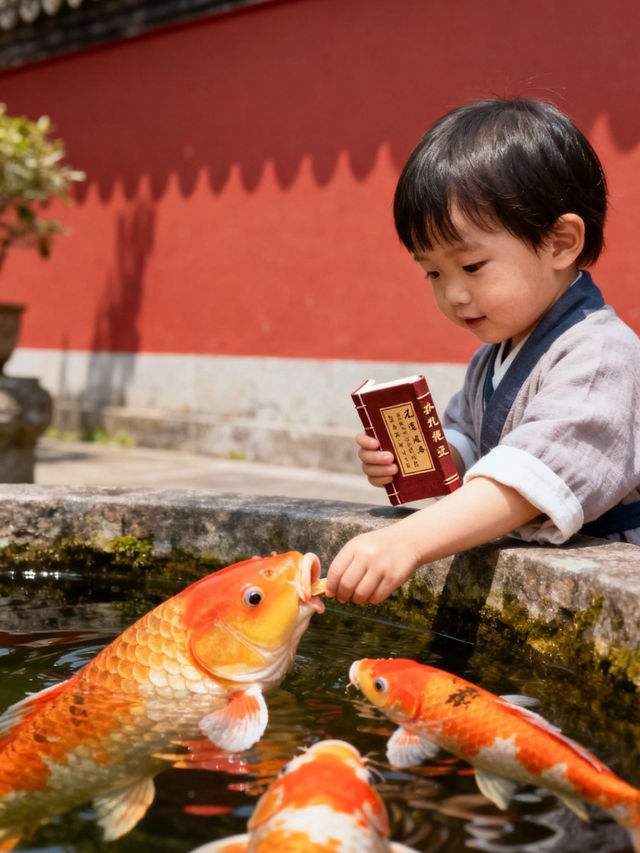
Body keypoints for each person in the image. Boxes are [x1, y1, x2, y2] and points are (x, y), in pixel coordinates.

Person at [325, 96, 640, 606]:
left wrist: (409, 538)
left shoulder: (601, 354)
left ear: (561, 242)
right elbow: (472, 448)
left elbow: (529, 480)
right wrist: (421, 458)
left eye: (471, 266)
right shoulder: (491, 358)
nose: (453, 294)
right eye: (433, 273)